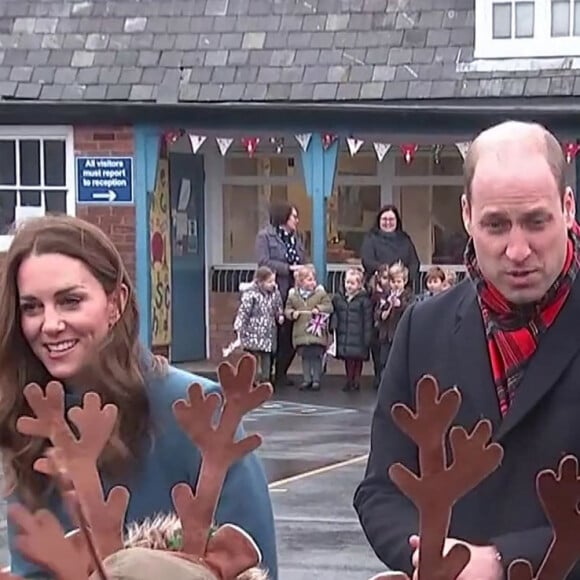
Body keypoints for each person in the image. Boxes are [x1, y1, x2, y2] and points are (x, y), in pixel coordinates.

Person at [353, 120, 580, 579]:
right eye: (496, 225)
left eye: (536, 222)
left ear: (568, 207)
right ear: (466, 214)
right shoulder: (424, 328)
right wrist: (429, 556)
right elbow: (381, 488)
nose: (518, 250)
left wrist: (501, 562)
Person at [0, 215, 278, 579]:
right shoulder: (27, 421)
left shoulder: (192, 409)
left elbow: (254, 561)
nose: (50, 324)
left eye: (70, 301)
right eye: (32, 307)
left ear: (115, 303)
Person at [255, 202, 306, 388]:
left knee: (291, 335)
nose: (297, 220)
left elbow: (302, 258)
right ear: (284, 217)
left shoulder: (296, 238)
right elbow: (263, 262)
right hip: (275, 290)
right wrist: (288, 269)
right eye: (294, 216)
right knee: (275, 334)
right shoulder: (265, 236)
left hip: (294, 293)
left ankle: (282, 372)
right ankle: (269, 375)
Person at [284, 264, 333, 392]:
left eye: (313, 279)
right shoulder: (293, 296)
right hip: (301, 332)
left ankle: (316, 379)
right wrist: (292, 314)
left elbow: (329, 306)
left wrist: (319, 309)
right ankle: (307, 379)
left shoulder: (320, 294)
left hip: (316, 333)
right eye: (309, 280)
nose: (313, 283)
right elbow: (287, 309)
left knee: (316, 356)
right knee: (305, 358)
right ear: (300, 282)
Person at [234, 266, 284, 384]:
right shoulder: (251, 294)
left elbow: (278, 306)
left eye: (274, 281)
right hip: (253, 330)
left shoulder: (275, 293)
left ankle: (266, 379)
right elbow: (244, 312)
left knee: (267, 356)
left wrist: (279, 315)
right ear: (260, 281)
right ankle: (252, 380)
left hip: (268, 331)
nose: (273, 284)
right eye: (269, 281)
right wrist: (239, 327)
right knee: (253, 357)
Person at [331, 267, 373, 392]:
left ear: (359, 285)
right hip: (345, 333)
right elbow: (334, 313)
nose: (349, 285)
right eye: (347, 282)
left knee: (357, 359)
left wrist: (367, 337)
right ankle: (349, 380)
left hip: (358, 334)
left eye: (352, 283)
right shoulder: (339, 299)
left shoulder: (364, 301)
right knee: (348, 359)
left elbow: (367, 320)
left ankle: (356, 380)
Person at [360, 205, 420, 290]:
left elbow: (414, 263)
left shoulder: (405, 239)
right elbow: (367, 261)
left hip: (402, 289)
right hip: (377, 289)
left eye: (391, 219)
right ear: (379, 221)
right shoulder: (371, 238)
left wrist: (405, 278)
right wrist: (385, 271)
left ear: (397, 221)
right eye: (384, 219)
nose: (388, 223)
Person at [372, 261, 414, 382]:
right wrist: (382, 314)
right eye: (393, 281)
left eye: (399, 281)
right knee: (384, 362)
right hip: (386, 336)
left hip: (400, 335)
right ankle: (385, 385)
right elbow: (377, 313)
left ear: (404, 282)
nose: (395, 285)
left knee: (400, 363)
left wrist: (400, 305)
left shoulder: (408, 295)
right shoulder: (385, 296)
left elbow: (411, 310)